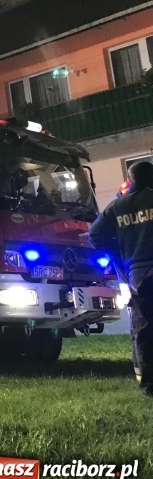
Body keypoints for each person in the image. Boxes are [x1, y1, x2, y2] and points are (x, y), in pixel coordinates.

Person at [89, 161, 153, 397]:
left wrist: (119, 252)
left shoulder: (117, 206)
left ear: (131, 180)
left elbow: (94, 235)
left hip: (136, 273)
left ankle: (148, 385)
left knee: (143, 329)